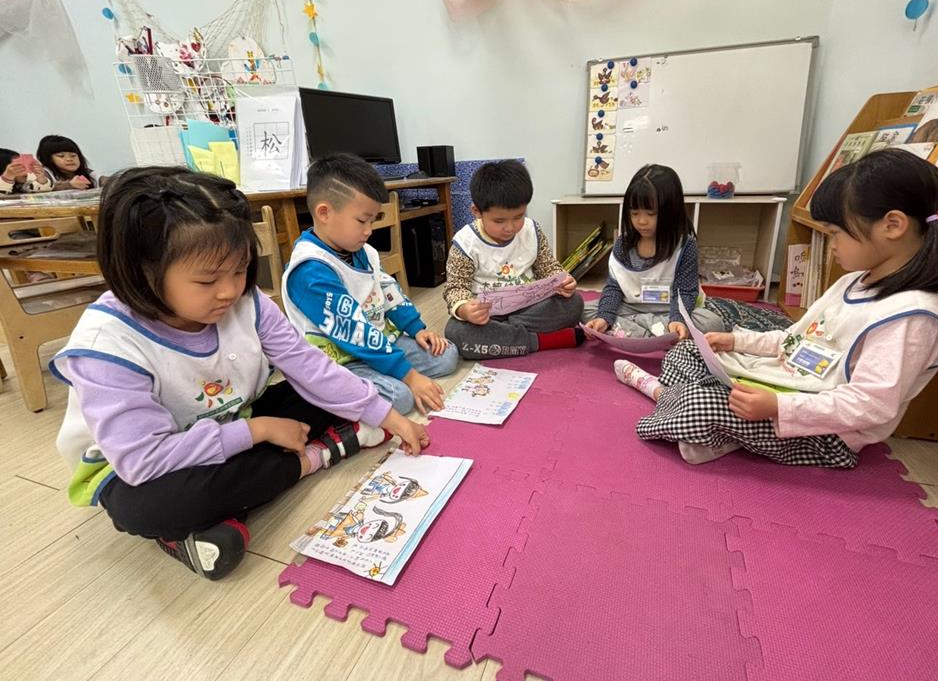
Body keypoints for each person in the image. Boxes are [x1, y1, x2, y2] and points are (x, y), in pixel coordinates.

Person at [52, 166, 429, 580]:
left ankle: (221, 513)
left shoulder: (246, 301)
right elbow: (144, 460)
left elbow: (307, 364)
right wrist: (257, 431)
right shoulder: (107, 343)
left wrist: (387, 416)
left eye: (240, 271)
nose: (230, 291)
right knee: (147, 508)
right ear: (143, 272)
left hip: (231, 418)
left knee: (324, 390)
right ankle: (313, 458)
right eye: (207, 280)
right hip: (140, 467)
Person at [614, 150, 938, 468]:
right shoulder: (853, 282)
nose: (831, 245)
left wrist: (778, 407)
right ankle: (700, 418)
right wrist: (736, 341)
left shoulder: (914, 317)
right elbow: (794, 340)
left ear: (892, 225)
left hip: (822, 433)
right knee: (686, 352)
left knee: (699, 405)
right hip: (782, 382)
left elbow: (871, 406)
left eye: (835, 233)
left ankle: (666, 396)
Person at [283, 153, 459, 416]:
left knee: (447, 355)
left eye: (373, 220)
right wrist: (410, 377)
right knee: (400, 397)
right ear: (324, 213)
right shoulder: (310, 270)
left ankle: (384, 373)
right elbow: (354, 331)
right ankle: (380, 379)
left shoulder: (362, 250)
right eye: (361, 221)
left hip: (378, 342)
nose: (369, 231)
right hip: (339, 361)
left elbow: (387, 289)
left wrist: (416, 329)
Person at [443, 159, 584, 359]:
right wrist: (465, 309)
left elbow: (548, 267)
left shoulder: (532, 230)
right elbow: (455, 288)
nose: (510, 228)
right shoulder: (465, 243)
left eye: (518, 217)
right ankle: (542, 341)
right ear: (477, 212)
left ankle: (505, 337)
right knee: (456, 332)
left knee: (574, 303)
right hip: (488, 316)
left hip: (530, 309)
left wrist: (563, 282)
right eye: (499, 221)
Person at [583, 164, 723, 339]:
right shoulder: (623, 244)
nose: (642, 221)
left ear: (671, 212)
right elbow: (614, 287)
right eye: (635, 213)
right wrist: (604, 317)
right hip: (632, 306)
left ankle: (634, 331)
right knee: (586, 310)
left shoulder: (685, 246)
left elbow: (685, 292)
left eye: (651, 214)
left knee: (712, 323)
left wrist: (678, 319)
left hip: (670, 309)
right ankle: (654, 332)